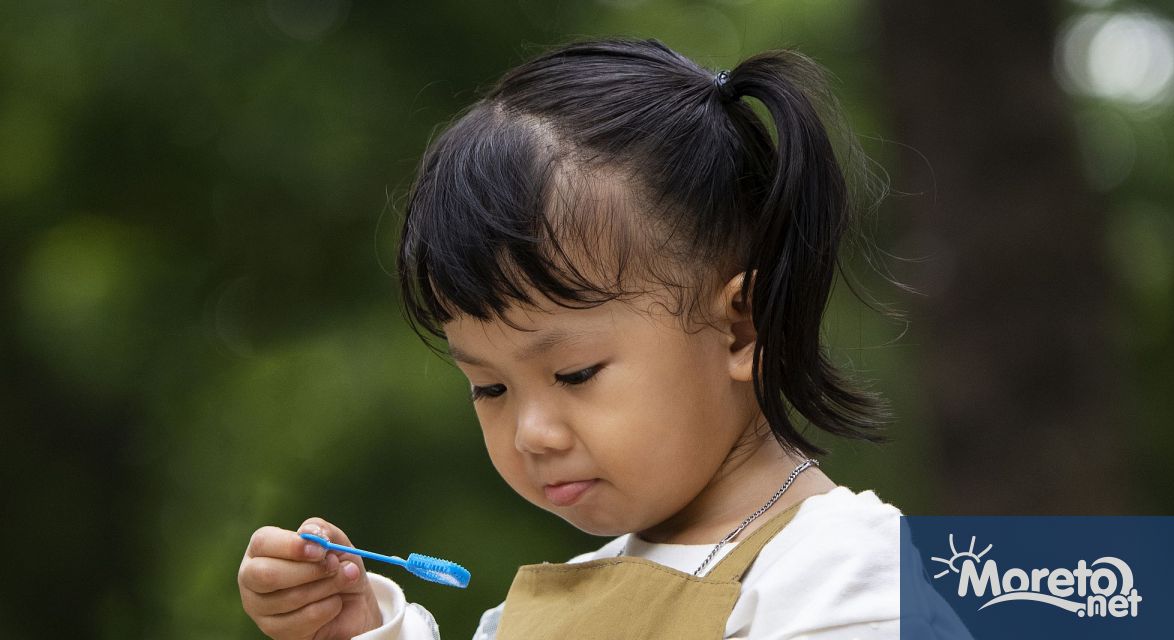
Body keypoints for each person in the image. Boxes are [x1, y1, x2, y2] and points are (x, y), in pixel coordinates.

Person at [238, 36, 964, 639]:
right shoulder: (548, 608)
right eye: (488, 387)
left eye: (576, 373)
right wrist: (359, 628)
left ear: (742, 324)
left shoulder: (851, 581)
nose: (531, 433)